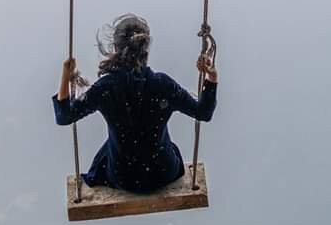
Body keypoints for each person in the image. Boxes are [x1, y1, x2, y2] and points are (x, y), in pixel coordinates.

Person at [52, 13, 218, 194]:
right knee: (167, 148)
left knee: (107, 152)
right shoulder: (163, 85)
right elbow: (204, 112)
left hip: (123, 178)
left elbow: (64, 116)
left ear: (115, 47)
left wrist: (65, 77)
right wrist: (212, 77)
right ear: (146, 49)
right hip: (163, 173)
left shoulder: (106, 88)